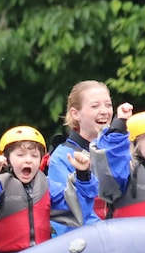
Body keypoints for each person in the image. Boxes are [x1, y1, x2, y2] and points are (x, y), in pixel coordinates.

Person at [0, 126, 95, 253]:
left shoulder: (46, 185)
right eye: (20, 155)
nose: (28, 160)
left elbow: (80, 211)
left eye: (34, 156)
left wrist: (83, 175)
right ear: (6, 159)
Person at [46, 80, 114, 234]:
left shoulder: (118, 152)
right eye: (95, 106)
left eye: (108, 105)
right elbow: (66, 216)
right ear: (75, 113)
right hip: (85, 243)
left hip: (118, 235)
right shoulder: (62, 157)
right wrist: (111, 234)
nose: (104, 111)